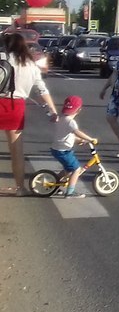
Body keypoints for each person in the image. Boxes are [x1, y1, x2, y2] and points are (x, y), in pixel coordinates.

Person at [0, 29, 60, 196]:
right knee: (16, 151)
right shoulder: (31, 65)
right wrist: (53, 110)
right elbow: (41, 90)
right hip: (16, 107)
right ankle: (20, 188)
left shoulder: (2, 58)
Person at [48, 95, 96, 198]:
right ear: (79, 110)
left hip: (56, 149)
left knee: (67, 169)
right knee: (76, 169)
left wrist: (79, 141)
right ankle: (70, 192)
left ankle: (55, 184)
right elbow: (77, 132)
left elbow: (66, 135)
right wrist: (90, 139)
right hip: (63, 151)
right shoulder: (71, 122)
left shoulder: (61, 119)